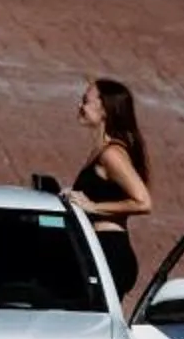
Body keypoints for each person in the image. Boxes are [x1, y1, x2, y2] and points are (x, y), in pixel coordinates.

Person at [62, 76, 152, 301]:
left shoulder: (112, 154)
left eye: (86, 101)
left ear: (105, 110)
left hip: (109, 251)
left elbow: (143, 202)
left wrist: (92, 206)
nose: (80, 106)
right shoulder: (103, 151)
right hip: (101, 249)